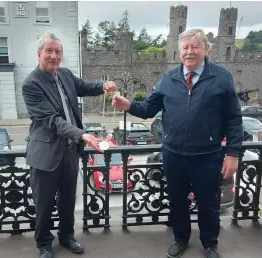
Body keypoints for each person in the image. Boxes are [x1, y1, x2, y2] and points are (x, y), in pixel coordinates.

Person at [112, 28, 243, 258]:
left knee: (208, 204)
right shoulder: (168, 78)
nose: (189, 52)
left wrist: (232, 153)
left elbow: (234, 118)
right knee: (177, 201)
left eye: (194, 47)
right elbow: (149, 108)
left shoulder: (222, 77)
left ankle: (210, 243)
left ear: (206, 49)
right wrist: (129, 105)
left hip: (208, 155)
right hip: (173, 154)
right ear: (179, 51)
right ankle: (181, 239)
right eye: (185, 48)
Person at [22, 33, 117, 258]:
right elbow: (52, 121)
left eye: (58, 51)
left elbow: (84, 86)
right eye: (49, 51)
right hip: (45, 154)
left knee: (67, 200)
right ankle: (44, 243)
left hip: (69, 153)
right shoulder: (31, 84)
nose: (54, 56)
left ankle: (66, 236)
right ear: (39, 54)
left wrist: (104, 85)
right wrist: (83, 135)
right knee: (44, 204)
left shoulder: (64, 74)